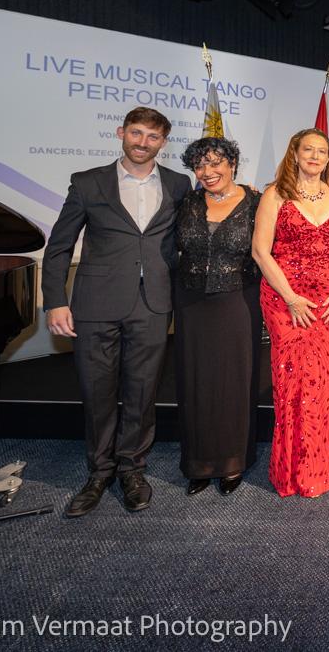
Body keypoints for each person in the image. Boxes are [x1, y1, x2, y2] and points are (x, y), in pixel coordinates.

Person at [42, 106, 192, 517]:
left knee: (142, 393)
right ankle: (98, 472)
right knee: (97, 391)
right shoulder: (89, 182)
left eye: (153, 137)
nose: (142, 143)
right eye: (137, 133)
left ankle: (131, 469)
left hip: (154, 304)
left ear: (163, 142)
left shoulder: (180, 184)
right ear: (121, 132)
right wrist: (55, 299)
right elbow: (58, 247)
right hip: (95, 304)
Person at [252, 128, 329, 498]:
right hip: (286, 302)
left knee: (325, 380)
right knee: (293, 381)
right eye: (308, 149)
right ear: (294, 153)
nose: (315, 156)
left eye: (322, 151)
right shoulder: (274, 194)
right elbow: (261, 252)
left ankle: (325, 464)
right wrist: (291, 297)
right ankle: (294, 471)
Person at [174, 137, 262, 497]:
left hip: (238, 301)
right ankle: (199, 463)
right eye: (200, 166)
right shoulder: (187, 202)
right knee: (194, 381)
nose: (208, 172)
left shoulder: (257, 202)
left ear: (232, 164)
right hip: (191, 303)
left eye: (215, 163)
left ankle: (231, 462)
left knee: (234, 382)